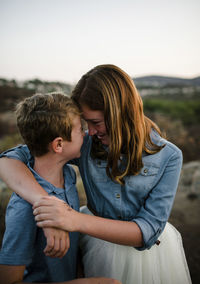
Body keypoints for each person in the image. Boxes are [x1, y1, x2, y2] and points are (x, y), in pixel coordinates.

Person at [0, 65, 192, 284]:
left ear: (121, 113)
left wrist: (70, 219)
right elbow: (11, 158)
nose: (90, 131)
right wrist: (47, 209)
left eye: (96, 123)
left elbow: (147, 231)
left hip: (149, 257)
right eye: (85, 123)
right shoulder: (85, 144)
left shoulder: (169, 156)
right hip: (96, 247)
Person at [0, 92, 120, 284]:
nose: (86, 133)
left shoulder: (69, 176)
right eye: (80, 129)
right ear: (58, 144)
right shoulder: (24, 207)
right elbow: (9, 280)